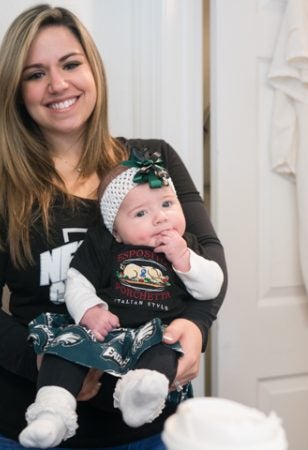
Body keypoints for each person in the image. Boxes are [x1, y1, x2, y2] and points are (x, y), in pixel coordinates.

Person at [0, 4, 226, 449]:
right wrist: (43, 359)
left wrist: (196, 327)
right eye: (35, 74)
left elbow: (206, 254)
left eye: (71, 64)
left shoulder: (153, 162)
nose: (58, 84)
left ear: (93, 69)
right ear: (16, 91)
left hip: (148, 431)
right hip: (24, 429)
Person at [19, 151, 224, 448]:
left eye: (167, 204)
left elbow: (211, 286)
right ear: (116, 229)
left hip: (153, 335)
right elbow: (77, 282)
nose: (160, 217)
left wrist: (184, 258)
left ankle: (139, 398)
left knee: (166, 354)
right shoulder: (103, 245)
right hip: (104, 332)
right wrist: (90, 311)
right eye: (141, 213)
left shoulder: (186, 246)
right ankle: (52, 413)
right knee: (62, 349)